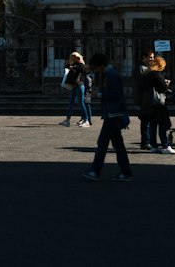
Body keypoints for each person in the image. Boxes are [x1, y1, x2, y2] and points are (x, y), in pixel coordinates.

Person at [82, 52, 133, 182]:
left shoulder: (112, 75)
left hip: (113, 113)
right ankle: (125, 171)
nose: (95, 70)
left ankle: (96, 170)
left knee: (103, 142)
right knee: (117, 144)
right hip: (113, 113)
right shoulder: (110, 74)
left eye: (96, 67)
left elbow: (115, 94)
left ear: (101, 65)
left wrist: (98, 94)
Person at [60, 51, 91, 127]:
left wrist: (73, 67)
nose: (74, 59)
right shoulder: (73, 64)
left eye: (75, 57)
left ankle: (86, 120)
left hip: (79, 86)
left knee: (81, 104)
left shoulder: (82, 65)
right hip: (74, 86)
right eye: (73, 57)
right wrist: (69, 65)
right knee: (70, 103)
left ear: (78, 58)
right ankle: (67, 120)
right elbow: (67, 66)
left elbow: (82, 69)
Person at [133, 50, 155, 149]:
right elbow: (141, 84)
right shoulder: (142, 69)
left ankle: (148, 140)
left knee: (149, 121)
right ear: (144, 58)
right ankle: (146, 141)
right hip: (145, 98)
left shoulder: (148, 68)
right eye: (150, 57)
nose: (152, 59)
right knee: (146, 121)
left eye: (153, 57)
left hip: (148, 98)